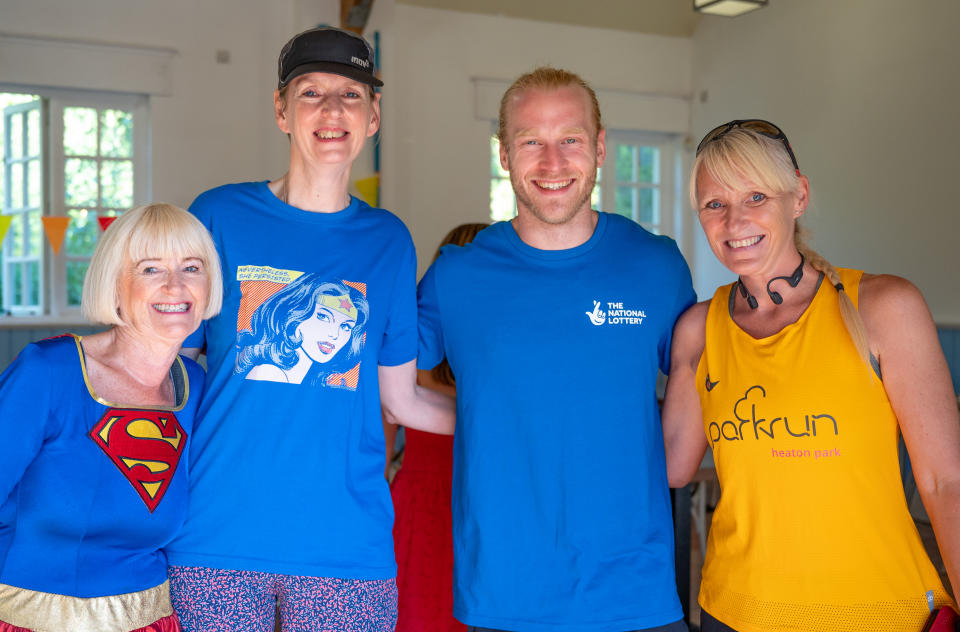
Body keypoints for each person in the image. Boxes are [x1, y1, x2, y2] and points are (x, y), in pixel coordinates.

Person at [164, 26, 453, 632]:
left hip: (345, 548)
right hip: (217, 535)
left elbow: (400, 398)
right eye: (311, 92)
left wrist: (521, 422)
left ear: (372, 116)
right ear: (281, 110)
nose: (331, 110)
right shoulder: (219, 215)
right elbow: (170, 364)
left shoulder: (388, 241)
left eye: (350, 94)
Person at [417, 67, 696, 632]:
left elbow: (695, 398)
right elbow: (390, 389)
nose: (552, 163)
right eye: (531, 142)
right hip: (506, 593)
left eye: (569, 139)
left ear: (598, 148)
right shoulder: (456, 275)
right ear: (503, 154)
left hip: (634, 592)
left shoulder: (657, 266)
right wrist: (487, 422)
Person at [661, 119, 960, 631]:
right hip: (733, 611)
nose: (734, 221)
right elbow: (674, 468)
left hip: (878, 612)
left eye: (755, 196)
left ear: (797, 196)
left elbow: (944, 481)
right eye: (714, 204)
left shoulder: (883, 307)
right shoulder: (699, 329)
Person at [0, 203, 222, 632]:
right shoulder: (49, 371)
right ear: (115, 284)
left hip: (151, 620)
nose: (175, 286)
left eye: (191, 267)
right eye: (151, 270)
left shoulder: (196, 388)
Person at [388, 223, 487, 632]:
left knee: (418, 615)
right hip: (471, 501)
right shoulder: (490, 368)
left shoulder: (409, 362)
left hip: (417, 502)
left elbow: (379, 451)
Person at [236, 275, 369, 386]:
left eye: (345, 326)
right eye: (323, 317)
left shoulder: (309, 381)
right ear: (294, 315)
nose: (334, 335)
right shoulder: (271, 373)